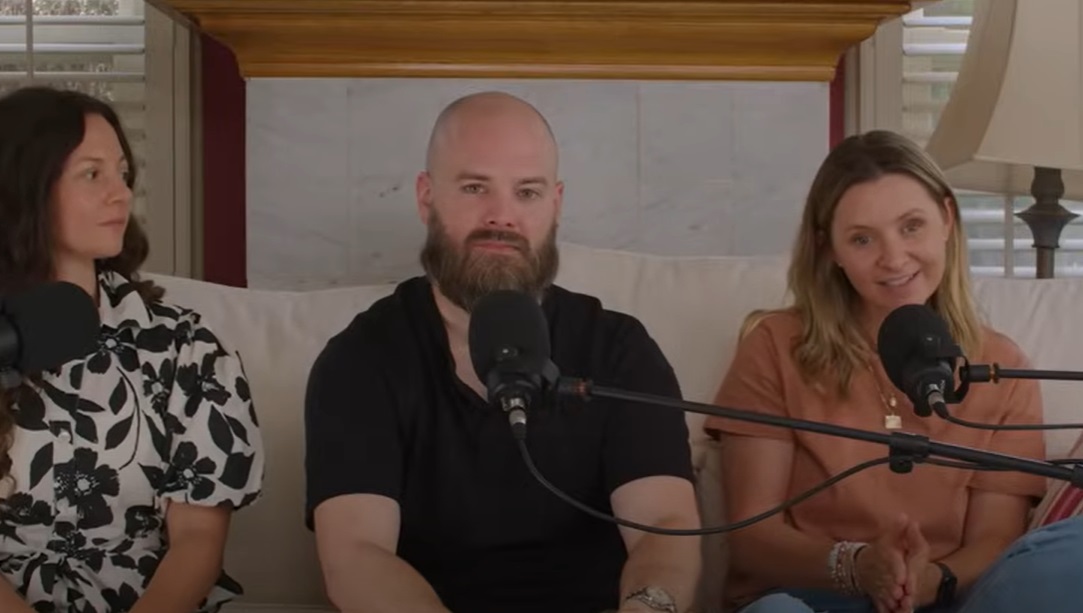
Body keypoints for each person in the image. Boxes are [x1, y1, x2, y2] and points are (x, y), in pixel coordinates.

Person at [0, 86, 264, 612]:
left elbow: (197, 541)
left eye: (122, 173)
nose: (121, 194)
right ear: (18, 193)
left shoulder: (185, 348)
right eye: (92, 174)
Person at [303, 91, 702, 613]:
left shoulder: (620, 349)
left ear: (555, 204)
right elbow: (357, 556)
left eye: (527, 192)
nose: (501, 216)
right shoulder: (360, 359)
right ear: (426, 197)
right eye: (475, 187)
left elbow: (663, 527)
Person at [704, 129, 1082, 613]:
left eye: (911, 227)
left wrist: (933, 580)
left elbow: (993, 540)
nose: (894, 258)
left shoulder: (1001, 368)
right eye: (862, 239)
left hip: (948, 599)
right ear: (828, 249)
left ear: (947, 219)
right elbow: (752, 535)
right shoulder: (775, 345)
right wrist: (859, 566)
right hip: (811, 599)